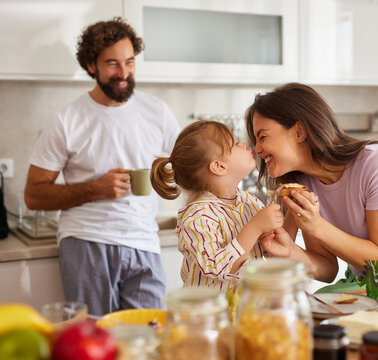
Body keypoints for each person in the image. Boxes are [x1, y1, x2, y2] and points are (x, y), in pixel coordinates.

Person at [24, 17, 180, 315]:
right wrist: (95, 189)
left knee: (149, 336)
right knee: (92, 340)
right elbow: (34, 195)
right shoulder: (67, 120)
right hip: (86, 241)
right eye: (112, 64)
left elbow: (188, 163)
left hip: (143, 241)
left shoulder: (156, 111)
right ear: (91, 65)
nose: (124, 73)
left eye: (130, 62)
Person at [245, 83, 378, 292]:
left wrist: (317, 226)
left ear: (300, 131)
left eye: (263, 137)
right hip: (361, 283)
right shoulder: (304, 184)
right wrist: (290, 251)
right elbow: (328, 269)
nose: (256, 150)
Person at [151, 120, 283, 291]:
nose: (243, 144)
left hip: (245, 309)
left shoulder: (249, 202)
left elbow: (274, 254)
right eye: (235, 144)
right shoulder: (198, 216)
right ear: (219, 167)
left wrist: (294, 218)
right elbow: (215, 266)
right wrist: (256, 227)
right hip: (208, 314)